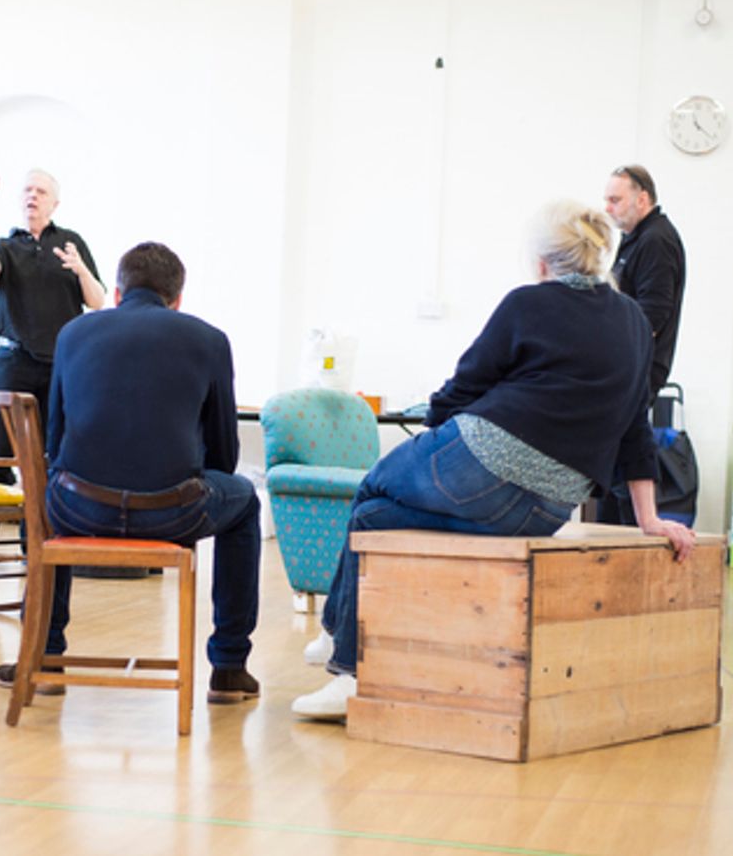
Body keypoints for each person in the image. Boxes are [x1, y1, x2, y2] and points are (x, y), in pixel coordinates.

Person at [291, 201, 697, 720]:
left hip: (480, 460)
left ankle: (344, 664)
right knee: (374, 521)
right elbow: (634, 425)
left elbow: (468, 383)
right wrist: (650, 519)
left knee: (370, 488)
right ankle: (338, 637)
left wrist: (433, 418)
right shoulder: (637, 324)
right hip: (548, 506)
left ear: (543, 264)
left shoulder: (528, 303)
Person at [0, 242, 261, 703]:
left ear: (116, 292)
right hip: (173, 513)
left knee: (43, 502)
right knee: (246, 503)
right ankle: (229, 666)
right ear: (178, 298)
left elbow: (55, 443)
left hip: (78, 508)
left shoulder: (73, 334)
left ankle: (46, 655)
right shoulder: (210, 340)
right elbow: (224, 455)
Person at [0, 165, 104, 489]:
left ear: (54, 203)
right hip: (14, 362)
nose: (32, 196)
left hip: (61, 364)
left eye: (40, 192)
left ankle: (41, 536)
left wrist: (81, 270)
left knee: (55, 453)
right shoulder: (8, 246)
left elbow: (96, 301)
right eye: (27, 190)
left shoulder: (71, 242)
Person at [598, 164, 687, 524]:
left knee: (624, 468)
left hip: (638, 368)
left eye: (616, 199)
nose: (608, 207)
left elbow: (654, 312)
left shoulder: (656, 240)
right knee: (614, 464)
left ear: (643, 198)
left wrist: (621, 357)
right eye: (606, 199)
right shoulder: (637, 238)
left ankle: (626, 544)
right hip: (627, 365)